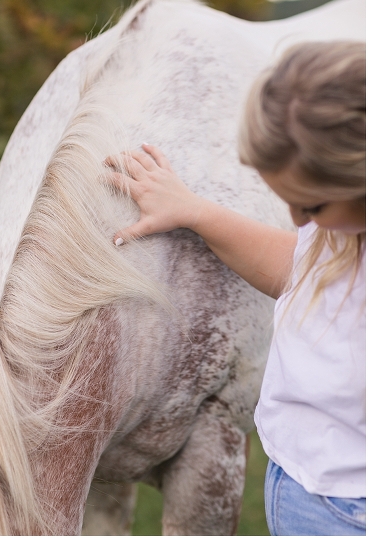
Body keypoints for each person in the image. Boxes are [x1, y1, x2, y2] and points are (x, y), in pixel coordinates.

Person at [103, 41, 365, 535]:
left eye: (311, 208)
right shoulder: (345, 232)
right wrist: (194, 211)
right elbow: (303, 266)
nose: (297, 222)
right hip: (298, 481)